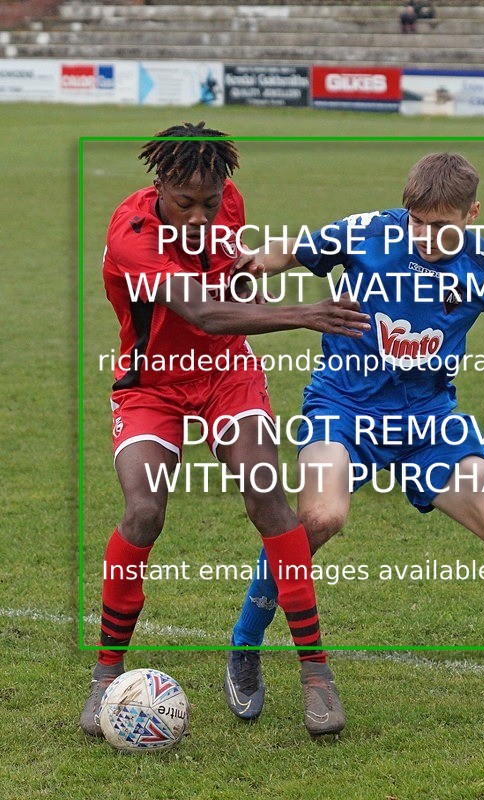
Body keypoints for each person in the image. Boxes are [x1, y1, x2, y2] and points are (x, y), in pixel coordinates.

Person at [224, 152, 484, 722]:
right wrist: (253, 265)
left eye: (441, 226)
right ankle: (244, 645)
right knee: (319, 519)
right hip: (344, 407)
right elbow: (291, 249)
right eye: (416, 222)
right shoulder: (368, 231)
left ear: (472, 215)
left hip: (431, 423)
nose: (425, 236)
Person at [79, 121, 370, 739]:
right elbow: (201, 312)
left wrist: (244, 274)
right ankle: (107, 673)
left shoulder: (225, 203)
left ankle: (316, 673)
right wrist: (305, 313)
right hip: (152, 382)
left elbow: (226, 289)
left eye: (211, 202)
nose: (201, 215)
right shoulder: (133, 235)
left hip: (226, 373)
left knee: (269, 498)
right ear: (159, 185)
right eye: (186, 202)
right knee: (143, 511)